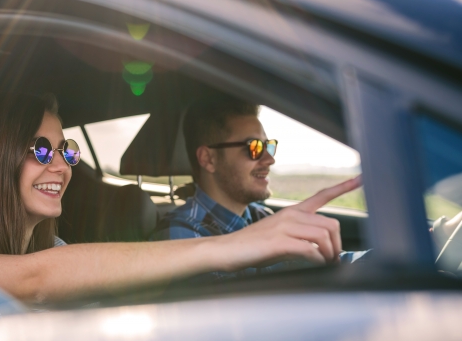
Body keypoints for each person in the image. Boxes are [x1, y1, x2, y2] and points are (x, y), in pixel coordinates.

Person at [0, 93, 359, 324]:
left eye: (67, 150)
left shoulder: (56, 248)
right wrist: (232, 246)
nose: (63, 166)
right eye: (40, 149)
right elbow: (34, 282)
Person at [149, 96, 366, 276]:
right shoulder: (180, 235)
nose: (269, 159)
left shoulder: (262, 217)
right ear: (208, 159)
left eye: (268, 146)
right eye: (254, 147)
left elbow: (325, 263)